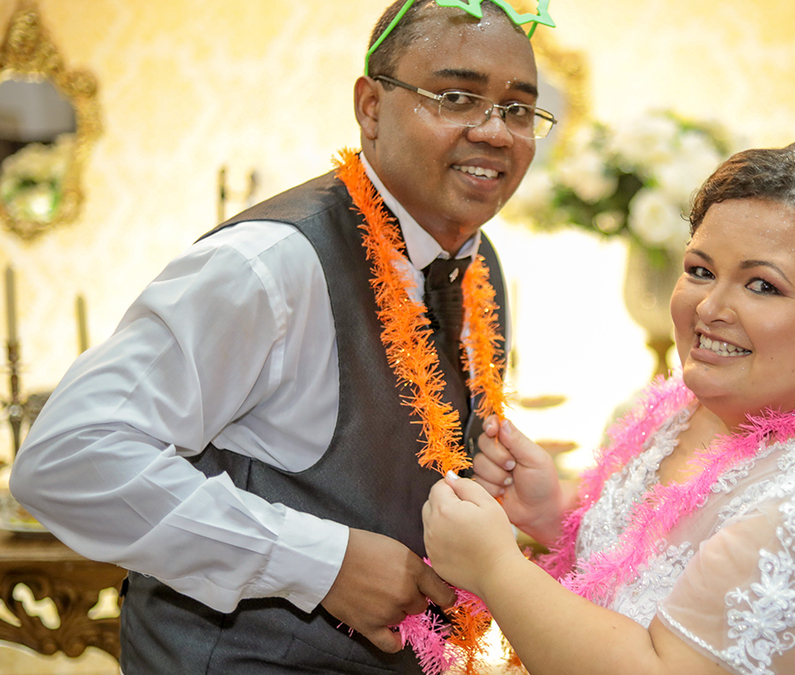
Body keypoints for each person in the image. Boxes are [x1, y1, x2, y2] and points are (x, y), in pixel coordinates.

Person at [10, 1, 555, 672]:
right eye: (456, 96)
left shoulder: (481, 265)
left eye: (519, 110)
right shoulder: (269, 264)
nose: (496, 133)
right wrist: (319, 563)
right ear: (371, 107)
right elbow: (67, 457)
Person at [423, 138, 795, 674]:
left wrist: (497, 569)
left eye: (762, 285)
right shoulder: (718, 396)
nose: (710, 307)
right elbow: (662, 555)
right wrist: (556, 515)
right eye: (701, 270)